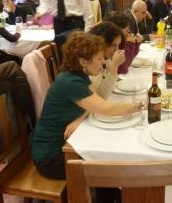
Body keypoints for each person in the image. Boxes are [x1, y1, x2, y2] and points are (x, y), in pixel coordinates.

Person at [32, 31, 142, 181]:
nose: (104, 62)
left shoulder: (77, 75)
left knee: (109, 151)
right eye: (99, 58)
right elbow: (106, 109)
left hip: (65, 143)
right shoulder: (71, 82)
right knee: (112, 166)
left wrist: (80, 118)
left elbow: (96, 100)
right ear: (83, 61)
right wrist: (140, 104)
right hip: (52, 157)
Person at [89, 22, 126, 98]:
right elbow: (101, 96)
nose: (117, 49)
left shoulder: (106, 58)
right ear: (102, 42)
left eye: (118, 45)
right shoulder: (90, 60)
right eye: (113, 45)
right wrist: (115, 65)